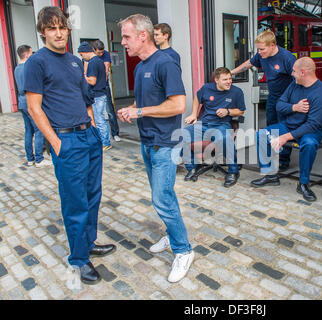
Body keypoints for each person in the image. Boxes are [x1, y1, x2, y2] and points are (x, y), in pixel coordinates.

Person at [23, 6, 116, 285]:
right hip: (66, 140)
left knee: (92, 197)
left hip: (88, 137)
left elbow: (85, 98)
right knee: (75, 203)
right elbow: (33, 107)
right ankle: (78, 259)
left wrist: (95, 130)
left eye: (62, 27)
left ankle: (87, 244)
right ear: (43, 32)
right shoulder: (37, 62)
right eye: (52, 28)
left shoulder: (75, 61)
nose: (59, 32)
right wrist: (55, 143)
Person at [117, 14, 194, 283]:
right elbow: (148, 106)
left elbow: (178, 105)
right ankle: (172, 236)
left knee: (161, 199)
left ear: (143, 36)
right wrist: (132, 113)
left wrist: (138, 110)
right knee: (162, 196)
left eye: (126, 36)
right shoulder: (139, 68)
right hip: (147, 143)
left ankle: (183, 251)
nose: (123, 42)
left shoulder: (166, 63)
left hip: (166, 144)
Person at [250, 57, 322, 202]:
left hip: (310, 131)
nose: (292, 74)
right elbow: (279, 105)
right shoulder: (294, 85)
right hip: (289, 125)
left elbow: (313, 125)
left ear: (303, 72)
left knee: (309, 144)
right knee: (261, 135)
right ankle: (270, 176)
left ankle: (303, 183)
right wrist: (294, 107)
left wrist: (285, 137)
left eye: (294, 71)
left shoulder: (321, 93)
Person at [231, 29, 296, 171]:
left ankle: (284, 159)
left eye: (262, 49)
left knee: (282, 127)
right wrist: (231, 73)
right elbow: (248, 64)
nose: (259, 52)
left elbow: (297, 80)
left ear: (272, 45)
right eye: (258, 49)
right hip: (273, 97)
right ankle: (272, 155)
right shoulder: (261, 55)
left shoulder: (287, 58)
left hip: (286, 100)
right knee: (271, 126)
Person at [183, 67, 246, 187]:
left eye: (230, 79)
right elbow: (197, 97)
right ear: (216, 80)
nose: (229, 82)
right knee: (183, 135)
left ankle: (233, 172)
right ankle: (192, 167)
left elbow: (240, 111)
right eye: (225, 79)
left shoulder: (237, 92)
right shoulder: (207, 88)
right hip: (204, 124)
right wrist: (193, 114)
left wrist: (228, 111)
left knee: (224, 139)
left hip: (221, 125)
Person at [14, 45, 51, 168]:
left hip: (21, 101)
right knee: (39, 129)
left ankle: (30, 159)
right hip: (30, 101)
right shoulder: (28, 68)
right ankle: (39, 159)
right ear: (28, 54)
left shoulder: (16, 69)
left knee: (28, 131)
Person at [78, 42, 112, 151]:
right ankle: (104, 141)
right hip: (101, 93)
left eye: (82, 55)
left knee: (99, 119)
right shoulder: (99, 61)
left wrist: (82, 77)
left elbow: (92, 81)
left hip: (97, 94)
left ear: (86, 52)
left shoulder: (93, 62)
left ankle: (105, 142)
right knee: (99, 118)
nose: (82, 57)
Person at [92, 39, 121, 142]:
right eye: (98, 52)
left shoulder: (106, 54)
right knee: (95, 113)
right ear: (94, 50)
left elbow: (106, 70)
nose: (101, 54)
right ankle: (98, 136)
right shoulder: (91, 57)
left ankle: (115, 133)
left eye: (102, 52)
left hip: (104, 86)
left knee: (110, 110)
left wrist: (102, 84)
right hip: (93, 88)